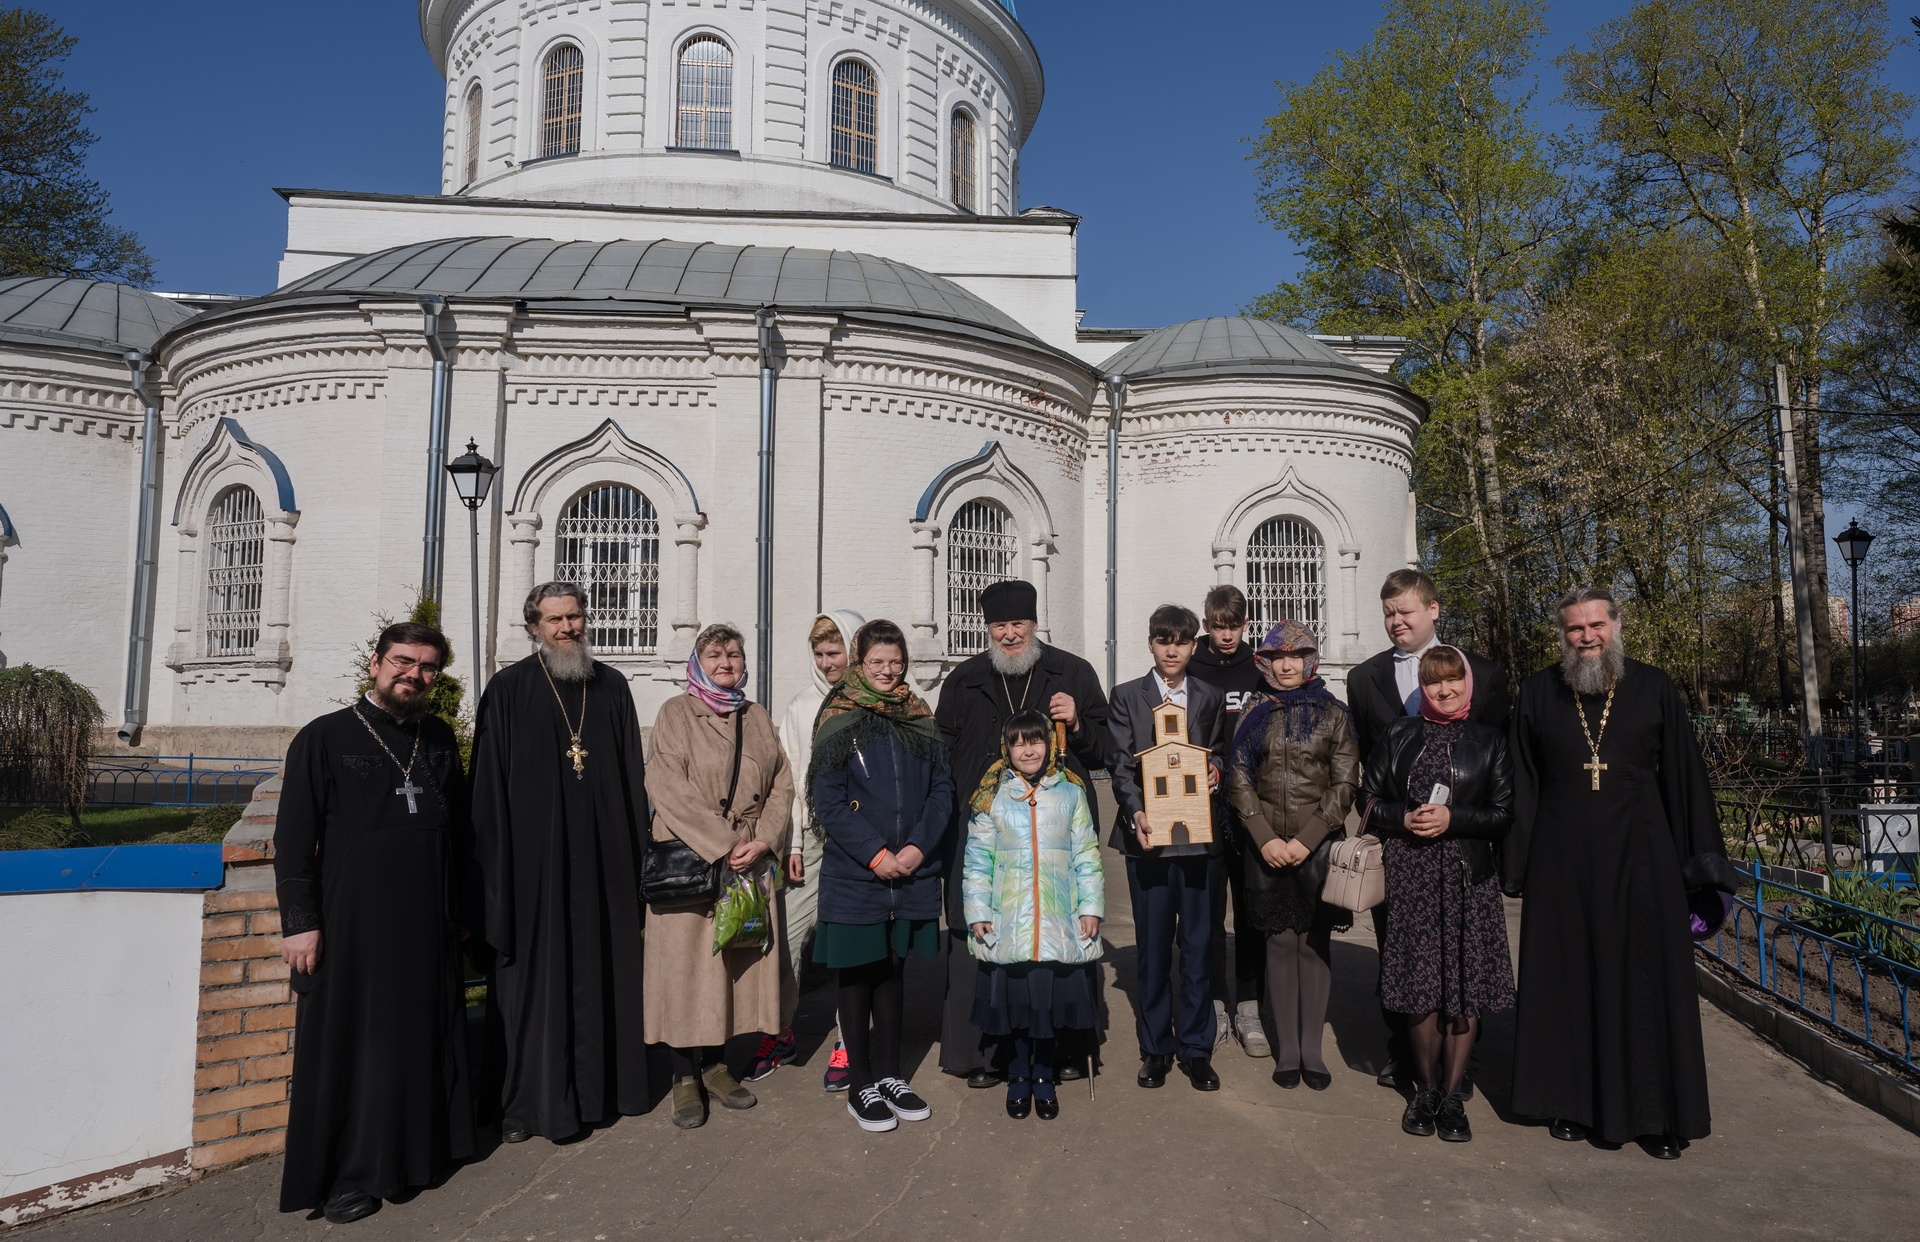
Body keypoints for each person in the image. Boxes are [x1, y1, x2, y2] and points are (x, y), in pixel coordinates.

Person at [1505, 588, 1740, 1159]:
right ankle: (1569, 1102)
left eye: (1595, 626)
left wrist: (1699, 869)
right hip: (1561, 864)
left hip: (1643, 861)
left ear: (1616, 625)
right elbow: (1523, 786)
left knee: (1645, 982)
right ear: (1561, 635)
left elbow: (1683, 779)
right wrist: (1516, 868)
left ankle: (1656, 1116)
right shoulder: (1538, 692)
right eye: (1574, 629)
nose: (1586, 637)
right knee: (1567, 980)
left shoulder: (1655, 687)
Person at [274, 621, 475, 1224]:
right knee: (356, 1050)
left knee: (420, 1039)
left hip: (428, 923)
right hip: (353, 928)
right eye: (403, 662)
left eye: (428, 667)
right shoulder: (324, 737)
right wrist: (300, 923)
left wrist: (463, 912)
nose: (414, 675)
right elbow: (292, 842)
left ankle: (419, 1154)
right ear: (376, 663)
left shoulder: (437, 738)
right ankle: (350, 1174)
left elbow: (461, 833)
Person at [471, 584, 658, 1144]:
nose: (567, 628)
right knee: (537, 985)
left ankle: (610, 1092)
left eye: (575, 616)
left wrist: (637, 864)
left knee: (605, 972)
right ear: (533, 626)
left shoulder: (611, 686)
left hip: (604, 867)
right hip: (536, 873)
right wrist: (496, 878)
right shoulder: (507, 690)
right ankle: (530, 1105)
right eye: (554, 620)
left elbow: (631, 782)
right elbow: (487, 794)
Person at [935, 578, 1110, 1087]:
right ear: (987, 628)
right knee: (980, 931)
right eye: (999, 626)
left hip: (1057, 831)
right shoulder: (964, 679)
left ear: (1035, 624)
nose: (1010, 634)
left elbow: (1104, 750)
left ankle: (1067, 1051)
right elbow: (942, 753)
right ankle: (983, 1054)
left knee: (1065, 934)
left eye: (1018, 624)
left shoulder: (1072, 672)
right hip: (985, 828)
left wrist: (1077, 724)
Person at [1343, 568, 1509, 1089]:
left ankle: (1461, 1066)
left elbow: (1499, 771)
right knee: (1402, 955)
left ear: (1433, 610)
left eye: (1406, 611)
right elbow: (1367, 766)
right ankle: (1406, 1054)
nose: (1396, 621)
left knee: (1463, 957)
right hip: (1403, 851)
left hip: (1463, 853)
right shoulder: (1364, 677)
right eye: (1388, 613)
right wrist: (1394, 819)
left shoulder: (1481, 672)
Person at [1360, 645, 1515, 1142]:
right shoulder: (1399, 734)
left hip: (1469, 879)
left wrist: (1455, 819)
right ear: (1421, 689)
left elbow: (1503, 814)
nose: (1443, 690)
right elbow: (1367, 798)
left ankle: (1452, 1098)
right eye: (1432, 683)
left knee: (1463, 992)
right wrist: (1400, 818)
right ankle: (1424, 1091)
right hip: (1413, 877)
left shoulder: (1490, 741)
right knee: (1419, 988)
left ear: (1467, 684)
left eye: (1452, 681)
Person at [645, 623, 793, 1129]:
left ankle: (716, 1067)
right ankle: (683, 1076)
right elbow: (666, 784)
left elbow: (781, 784)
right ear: (697, 661)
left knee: (728, 970)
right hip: (692, 858)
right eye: (714, 654)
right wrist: (723, 844)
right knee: (686, 970)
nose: (725, 662)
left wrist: (765, 840)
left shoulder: (756, 715)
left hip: (748, 858)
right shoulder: (675, 713)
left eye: (733, 653)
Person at [808, 619, 953, 1131]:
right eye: (877, 662)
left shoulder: (918, 715)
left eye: (895, 662)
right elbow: (827, 797)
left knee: (893, 970)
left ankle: (892, 1075)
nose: (888, 671)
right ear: (859, 663)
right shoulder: (840, 715)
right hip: (858, 873)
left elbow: (942, 789)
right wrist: (875, 854)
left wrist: (916, 848)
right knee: (857, 975)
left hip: (910, 870)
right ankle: (861, 1082)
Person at [1228, 621, 1360, 1091]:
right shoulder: (1252, 712)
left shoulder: (1334, 714)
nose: (1286, 665)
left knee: (1314, 944)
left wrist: (1307, 838)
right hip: (1265, 847)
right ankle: (1287, 1052)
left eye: (1296, 656)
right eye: (1277, 657)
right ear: (1264, 662)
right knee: (1280, 943)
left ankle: (1311, 1050)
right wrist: (1264, 837)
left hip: (1317, 846)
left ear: (1310, 662)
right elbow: (1238, 777)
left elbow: (1345, 783)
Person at [1109, 603, 1229, 1090]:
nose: (1172, 649)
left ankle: (1197, 1048)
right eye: (1164, 640)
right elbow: (1119, 764)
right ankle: (1157, 1047)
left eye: (1181, 641)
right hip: (1150, 839)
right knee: (1154, 948)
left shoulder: (1209, 696)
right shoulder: (1127, 697)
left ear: (1193, 646)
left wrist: (1216, 768)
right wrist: (1138, 811)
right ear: (1151, 644)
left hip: (1199, 840)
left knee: (1199, 946)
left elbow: (1217, 748)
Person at [965, 710, 1105, 1121]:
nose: (1029, 750)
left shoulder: (1070, 793)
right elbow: (977, 860)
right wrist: (977, 911)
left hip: (1058, 921)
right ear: (1006, 749)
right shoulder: (991, 796)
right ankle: (1017, 1075)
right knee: (1016, 1008)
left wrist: (1091, 907)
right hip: (1009, 921)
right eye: (1019, 743)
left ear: (1049, 744)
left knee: (1045, 1008)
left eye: (1036, 741)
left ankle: (1044, 1074)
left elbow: (1087, 855)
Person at [769, 609, 865, 1090]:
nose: (828, 662)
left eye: (836, 651)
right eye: (820, 654)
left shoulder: (871, 703)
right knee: (789, 935)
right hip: (810, 837)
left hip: (859, 839)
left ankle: (851, 1039)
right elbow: (787, 777)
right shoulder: (802, 705)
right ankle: (780, 1031)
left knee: (852, 940)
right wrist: (790, 840)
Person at [1186, 584, 1268, 1057]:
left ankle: (1250, 1007)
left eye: (1234, 626)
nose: (1227, 635)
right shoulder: (1191, 666)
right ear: (1207, 624)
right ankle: (1216, 1006)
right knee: (1210, 911)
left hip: (1252, 805)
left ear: (1244, 624)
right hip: (1205, 805)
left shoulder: (1257, 668)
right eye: (1218, 626)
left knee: (1252, 908)